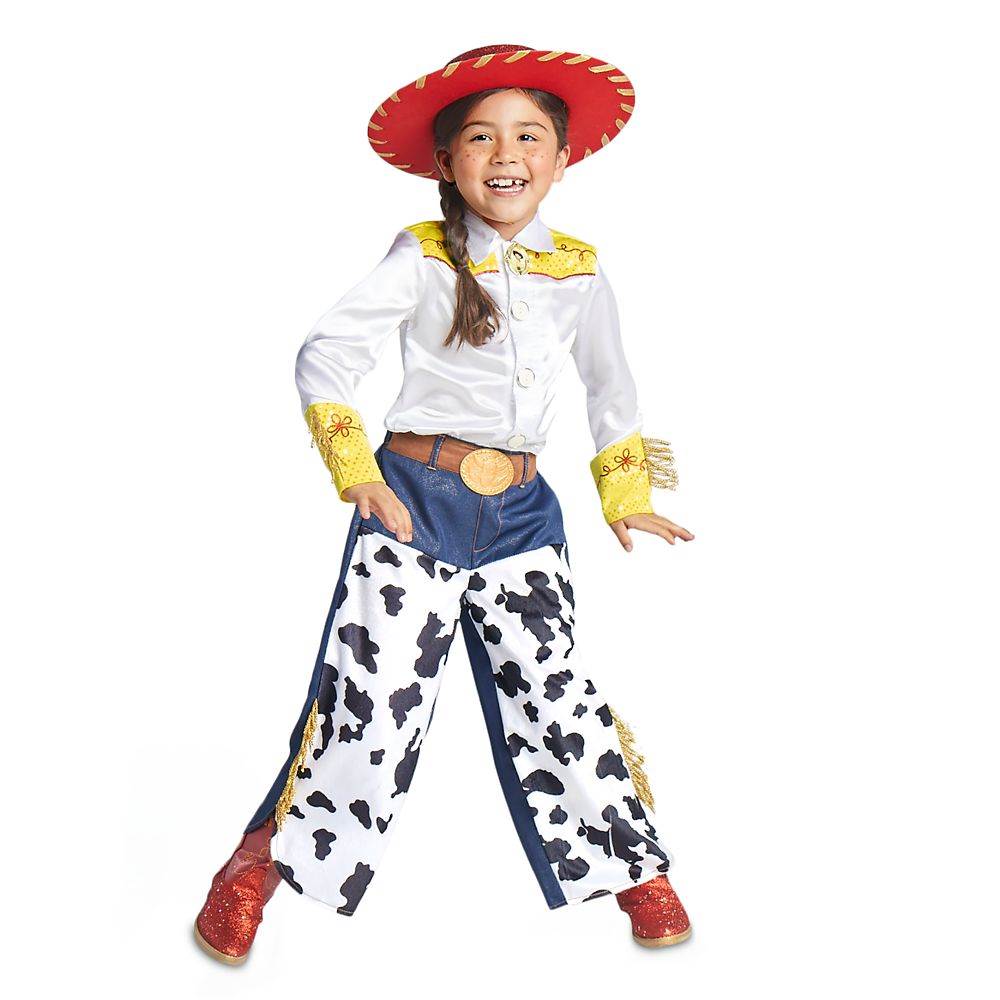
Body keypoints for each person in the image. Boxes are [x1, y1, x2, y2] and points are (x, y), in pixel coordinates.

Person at [194, 43, 696, 965]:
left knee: (556, 694)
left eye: (529, 136)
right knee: (372, 700)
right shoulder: (422, 256)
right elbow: (326, 355)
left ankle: (632, 867)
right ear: (448, 161)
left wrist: (624, 494)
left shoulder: (579, 270)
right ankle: (258, 865)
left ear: (561, 158)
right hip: (414, 504)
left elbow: (611, 387)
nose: (506, 154)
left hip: (524, 516)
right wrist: (356, 472)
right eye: (481, 137)